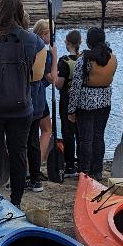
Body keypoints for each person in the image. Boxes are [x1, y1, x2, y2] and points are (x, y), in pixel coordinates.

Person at [0, 0, 46, 210]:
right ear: (20, 11)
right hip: (22, 108)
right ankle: (15, 201)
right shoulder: (33, 40)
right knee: (18, 153)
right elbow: (37, 76)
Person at [67, 26, 116, 180]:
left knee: (86, 140)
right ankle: (97, 170)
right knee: (98, 136)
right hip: (104, 103)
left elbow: (75, 87)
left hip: (85, 105)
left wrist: (71, 109)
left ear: (88, 42)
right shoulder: (112, 58)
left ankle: (85, 171)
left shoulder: (84, 59)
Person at [25, 18, 57, 192]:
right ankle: (36, 165)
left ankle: (34, 165)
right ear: (44, 34)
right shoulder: (45, 52)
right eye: (50, 34)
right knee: (44, 131)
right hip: (38, 99)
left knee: (40, 131)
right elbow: (52, 78)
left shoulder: (28, 46)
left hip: (29, 97)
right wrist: (55, 56)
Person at [54, 30, 80, 176]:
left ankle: (70, 165)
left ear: (67, 43)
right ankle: (82, 162)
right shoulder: (85, 58)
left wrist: (54, 77)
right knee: (81, 133)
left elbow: (59, 85)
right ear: (80, 43)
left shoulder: (63, 61)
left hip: (67, 100)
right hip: (81, 101)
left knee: (68, 132)